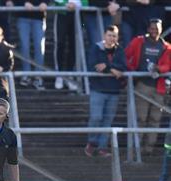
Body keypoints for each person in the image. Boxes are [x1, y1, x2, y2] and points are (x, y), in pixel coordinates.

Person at [125, 18, 171, 155]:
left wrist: (159, 68)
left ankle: (148, 150)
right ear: (148, 29)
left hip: (159, 87)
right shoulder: (138, 42)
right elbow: (126, 56)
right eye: (152, 28)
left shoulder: (167, 47)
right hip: (142, 85)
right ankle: (135, 149)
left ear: (161, 29)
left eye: (157, 28)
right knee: (140, 118)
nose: (154, 31)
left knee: (155, 119)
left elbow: (169, 65)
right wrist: (131, 71)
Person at [84, 25, 126, 158]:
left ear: (117, 37)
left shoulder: (120, 50)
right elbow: (94, 66)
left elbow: (122, 68)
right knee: (96, 117)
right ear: (104, 36)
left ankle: (102, 147)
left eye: (114, 35)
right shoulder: (96, 48)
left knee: (108, 120)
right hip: (98, 89)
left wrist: (107, 67)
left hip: (114, 91)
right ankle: (92, 143)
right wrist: (113, 70)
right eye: (109, 35)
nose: (112, 38)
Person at [13, 0, 48, 90]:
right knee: (24, 46)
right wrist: (22, 3)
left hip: (39, 17)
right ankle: (26, 74)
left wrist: (45, 3)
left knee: (39, 47)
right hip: (23, 16)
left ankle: (38, 76)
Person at [53, 0, 82, 91]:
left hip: (77, 14)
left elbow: (85, 1)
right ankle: (59, 74)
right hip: (62, 13)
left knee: (74, 45)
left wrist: (76, 4)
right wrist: (65, 3)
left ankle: (70, 75)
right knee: (60, 43)